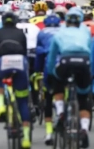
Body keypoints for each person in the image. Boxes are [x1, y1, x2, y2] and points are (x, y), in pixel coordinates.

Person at [46, 7, 91, 148]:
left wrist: (50, 73)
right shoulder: (86, 31)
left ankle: (60, 112)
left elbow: (52, 57)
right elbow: (91, 53)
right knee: (83, 97)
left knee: (58, 82)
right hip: (83, 62)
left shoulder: (60, 32)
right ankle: (84, 128)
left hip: (66, 61)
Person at [0, 12, 31, 148]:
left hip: (3, 60)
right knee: (22, 101)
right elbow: (24, 52)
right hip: (20, 62)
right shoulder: (20, 34)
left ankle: (1, 105)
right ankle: (26, 138)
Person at [34, 14, 61, 145]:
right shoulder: (65, 30)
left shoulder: (42, 32)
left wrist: (37, 70)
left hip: (49, 66)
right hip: (66, 64)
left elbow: (39, 54)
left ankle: (49, 132)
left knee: (48, 98)